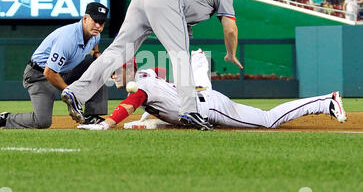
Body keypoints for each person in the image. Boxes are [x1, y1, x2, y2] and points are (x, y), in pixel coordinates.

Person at [61, 0, 242, 131]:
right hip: (166, 1)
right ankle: (189, 110)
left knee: (117, 51)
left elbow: (183, 23)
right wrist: (231, 53)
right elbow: (230, 29)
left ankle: (76, 92)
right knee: (180, 56)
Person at [78, 50, 347, 131]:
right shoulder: (146, 75)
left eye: (115, 69)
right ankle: (198, 59)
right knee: (196, 81)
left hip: (211, 107)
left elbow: (132, 102)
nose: (111, 74)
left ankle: (326, 102)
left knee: (268, 120)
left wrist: (107, 124)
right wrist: (150, 117)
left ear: (127, 69)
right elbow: (154, 86)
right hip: (198, 97)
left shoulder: (142, 84)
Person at [0, 3, 110, 129]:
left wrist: (96, 53)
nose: (98, 26)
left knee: (99, 66)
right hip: (39, 75)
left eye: (102, 23)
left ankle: (91, 116)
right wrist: (72, 97)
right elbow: (49, 72)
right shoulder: (68, 39)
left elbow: (94, 46)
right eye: (95, 21)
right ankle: (7, 119)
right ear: (85, 19)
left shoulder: (95, 35)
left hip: (65, 71)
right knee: (42, 121)